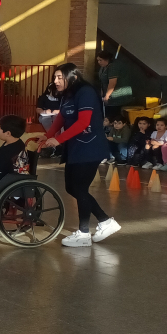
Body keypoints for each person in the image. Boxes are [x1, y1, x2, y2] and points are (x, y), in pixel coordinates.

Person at [43, 62, 121, 247]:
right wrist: (47, 136)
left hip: (90, 147)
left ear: (73, 77)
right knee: (72, 187)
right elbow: (62, 117)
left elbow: (83, 122)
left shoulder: (85, 92)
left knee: (79, 188)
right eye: (55, 77)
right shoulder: (67, 94)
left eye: (59, 77)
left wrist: (59, 139)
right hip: (76, 147)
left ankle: (84, 232)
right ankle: (104, 221)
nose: (55, 81)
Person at [97, 50, 134, 122]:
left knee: (113, 116)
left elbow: (112, 83)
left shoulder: (113, 67)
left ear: (106, 59)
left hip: (117, 95)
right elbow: (102, 81)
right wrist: (102, 93)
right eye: (98, 60)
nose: (99, 62)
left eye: (100, 60)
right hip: (108, 94)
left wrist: (107, 95)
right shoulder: (103, 67)